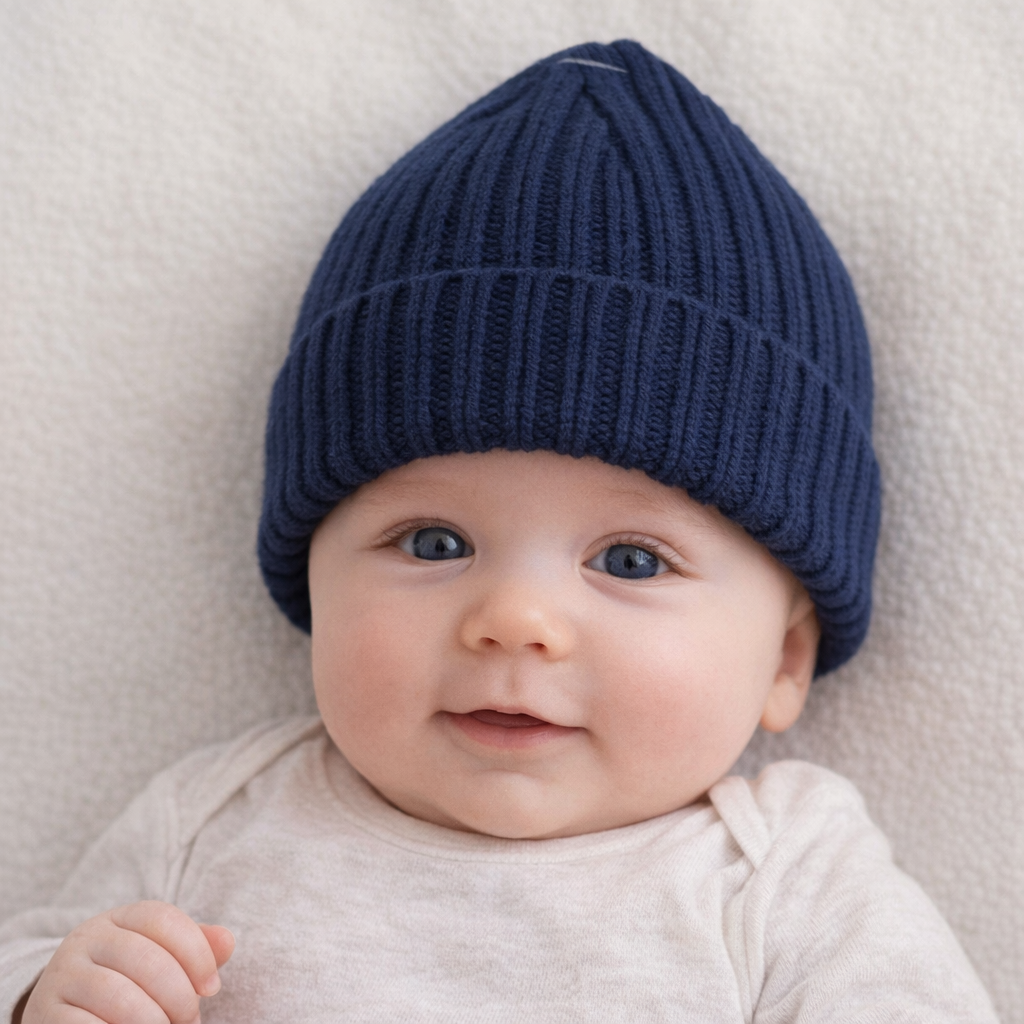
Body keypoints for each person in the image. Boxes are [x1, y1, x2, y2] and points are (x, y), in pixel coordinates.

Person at [0, 39, 997, 1023]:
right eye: (433, 543)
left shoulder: (789, 879)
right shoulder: (213, 819)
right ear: (314, 579)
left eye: (630, 560)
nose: (515, 619)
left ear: (783, 658)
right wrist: (52, 994)